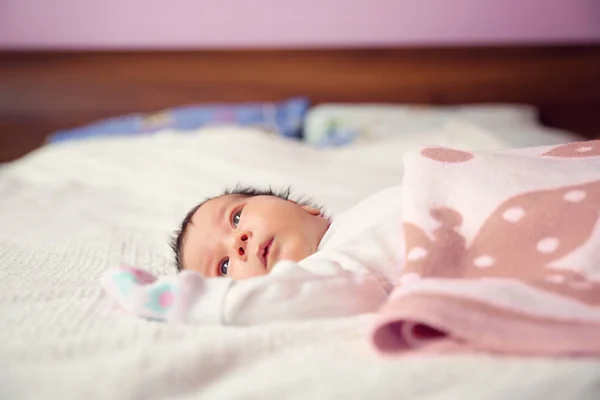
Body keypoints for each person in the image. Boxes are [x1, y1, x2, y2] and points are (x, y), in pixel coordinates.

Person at [102, 185, 405, 325]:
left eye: (235, 218)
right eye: (223, 267)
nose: (238, 243)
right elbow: (281, 297)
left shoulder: (357, 219)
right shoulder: (333, 270)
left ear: (304, 208)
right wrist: (186, 301)